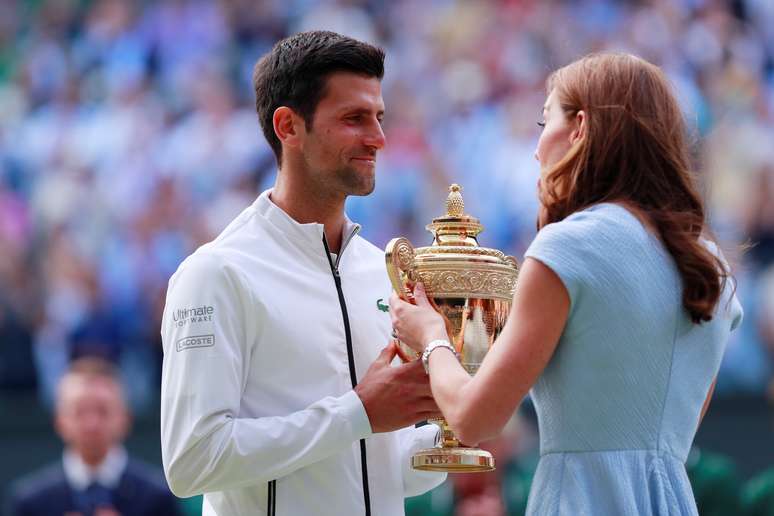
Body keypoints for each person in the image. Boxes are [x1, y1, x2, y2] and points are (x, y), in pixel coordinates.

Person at [390, 52, 744, 515]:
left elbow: (475, 419)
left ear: (579, 128)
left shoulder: (567, 247)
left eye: (544, 124)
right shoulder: (710, 264)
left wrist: (433, 335)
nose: (537, 150)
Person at [159, 30, 445, 516]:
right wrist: (357, 412)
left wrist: (460, 424)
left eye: (379, 117)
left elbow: (382, 470)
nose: (378, 138)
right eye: (354, 119)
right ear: (289, 126)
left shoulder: (382, 271)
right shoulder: (216, 272)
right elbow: (191, 461)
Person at [8, 357, 180, 516]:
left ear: (125, 418)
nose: (92, 423)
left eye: (102, 411)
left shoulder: (158, 497)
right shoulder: (31, 501)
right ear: (59, 420)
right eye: (80, 411)